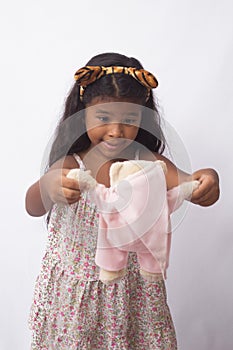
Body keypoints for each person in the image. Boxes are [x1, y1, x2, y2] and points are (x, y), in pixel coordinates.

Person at [25, 52, 220, 350]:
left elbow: (191, 186)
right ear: (82, 114)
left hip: (131, 297)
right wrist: (49, 187)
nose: (116, 131)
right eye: (103, 118)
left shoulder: (149, 165)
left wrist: (208, 179)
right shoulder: (70, 166)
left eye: (129, 120)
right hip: (75, 301)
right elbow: (32, 205)